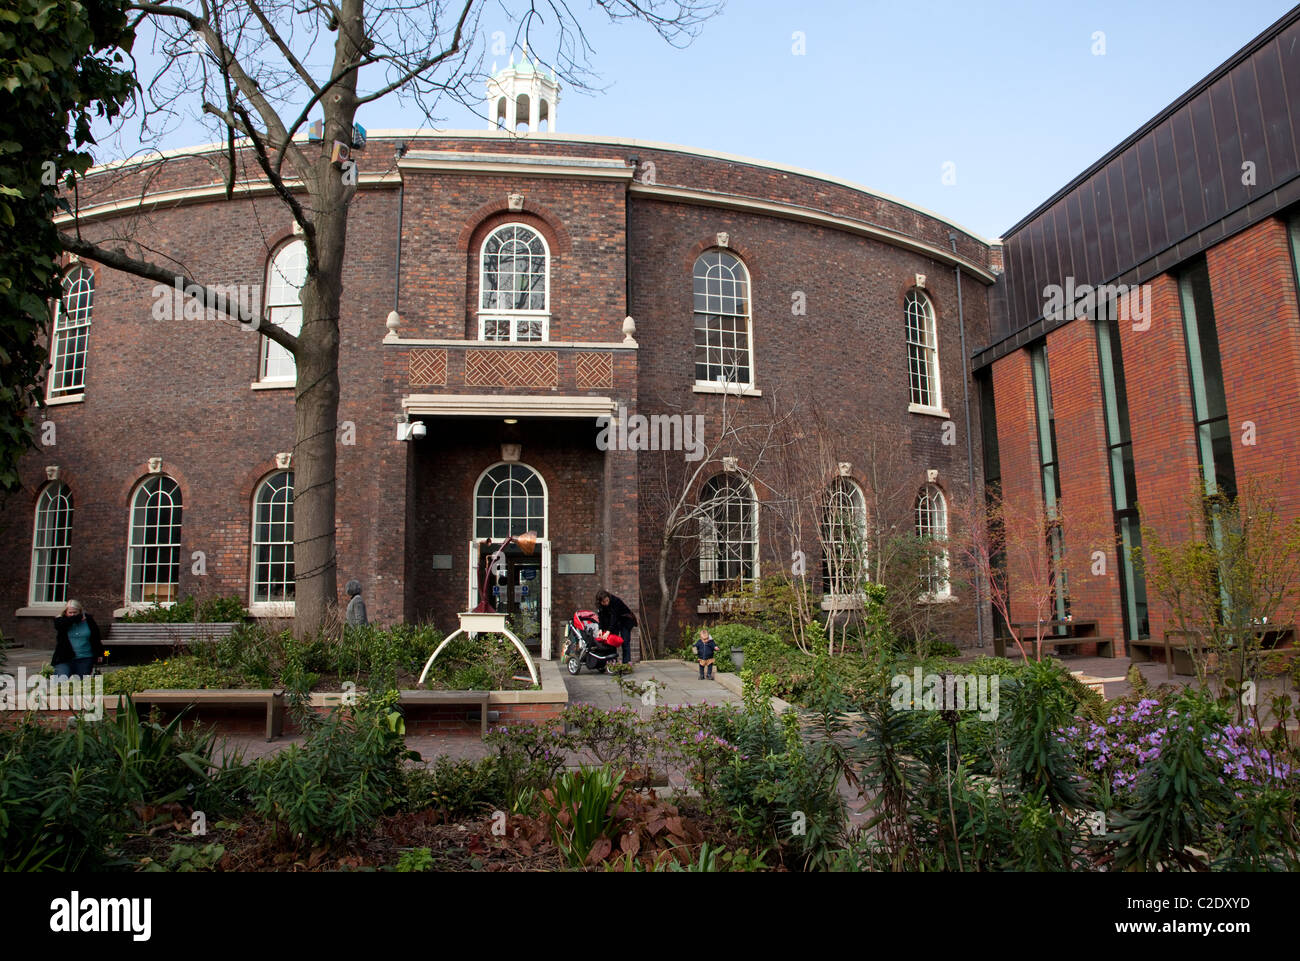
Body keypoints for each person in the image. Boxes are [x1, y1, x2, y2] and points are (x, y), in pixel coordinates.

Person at [52, 599, 101, 679]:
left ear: (80, 611)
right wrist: (76, 618)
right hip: (64, 658)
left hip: (85, 657)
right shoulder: (61, 620)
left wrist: (100, 654)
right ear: (65, 612)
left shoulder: (88, 620)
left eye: (75, 612)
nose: (72, 615)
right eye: (70, 613)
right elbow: (59, 625)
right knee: (61, 680)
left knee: (80, 685)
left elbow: (96, 638)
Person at [596, 589, 636, 665]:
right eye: (604, 602)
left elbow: (614, 618)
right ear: (600, 602)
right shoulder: (600, 606)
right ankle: (612, 662)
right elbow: (601, 617)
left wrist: (608, 631)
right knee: (611, 641)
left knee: (625, 641)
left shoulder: (615, 601)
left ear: (608, 597)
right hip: (615, 622)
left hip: (625, 620)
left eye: (607, 600)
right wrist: (600, 629)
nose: (606, 603)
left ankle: (626, 663)